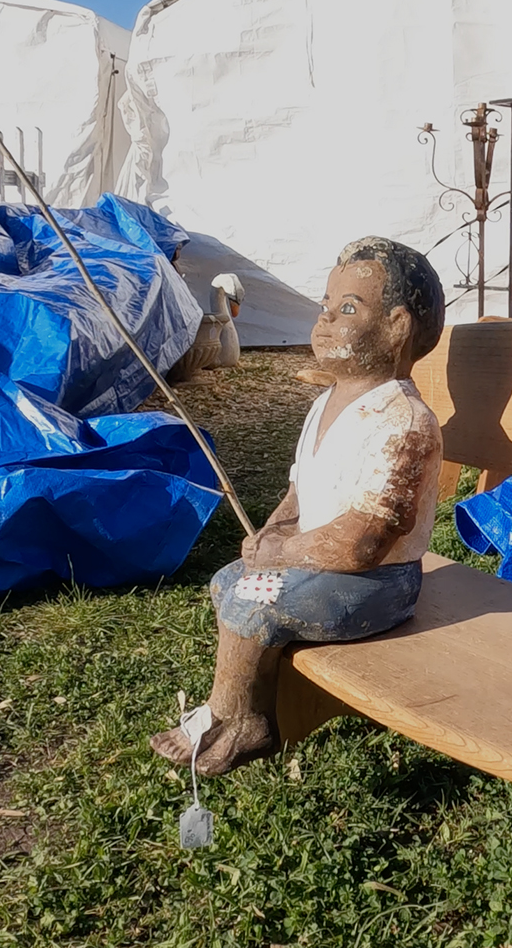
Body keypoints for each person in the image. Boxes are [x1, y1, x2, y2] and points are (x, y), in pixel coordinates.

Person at [151, 236, 446, 775]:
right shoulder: (323, 405)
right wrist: (272, 533)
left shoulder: (405, 422)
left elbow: (364, 541)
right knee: (227, 581)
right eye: (326, 306)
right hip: (320, 562)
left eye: (349, 309)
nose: (326, 320)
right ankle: (248, 698)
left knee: (251, 600)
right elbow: (299, 492)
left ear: (398, 326)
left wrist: (286, 551)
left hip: (379, 580)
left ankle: (240, 720)